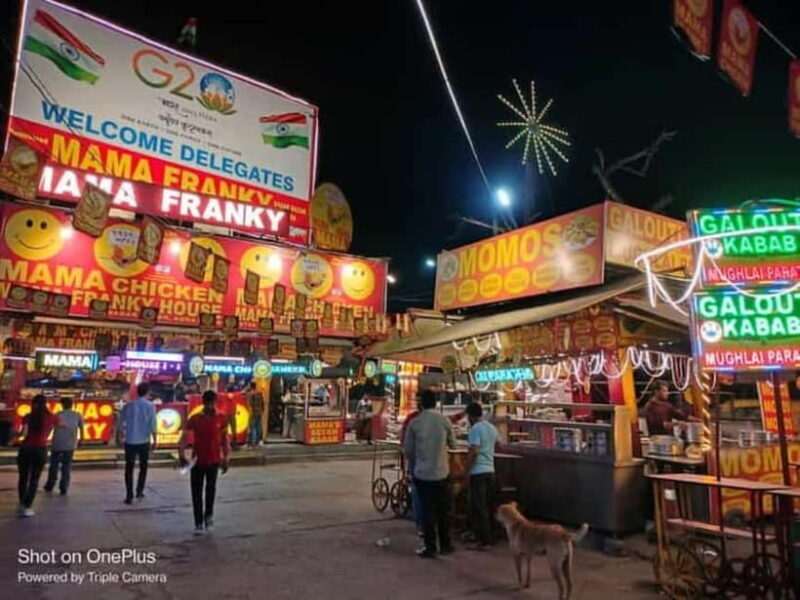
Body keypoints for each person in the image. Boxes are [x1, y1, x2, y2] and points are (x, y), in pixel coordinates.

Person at [403, 389, 456, 559]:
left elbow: (408, 450)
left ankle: (430, 547)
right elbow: (453, 445)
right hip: (441, 473)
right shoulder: (444, 421)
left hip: (422, 474)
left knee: (427, 513)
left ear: (421, 403)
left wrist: (419, 459)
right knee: (443, 512)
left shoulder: (415, 423)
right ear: (436, 403)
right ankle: (446, 545)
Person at [179, 390, 230, 535]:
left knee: (210, 490)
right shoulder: (195, 418)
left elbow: (225, 439)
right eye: (208, 403)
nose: (210, 405)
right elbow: (184, 436)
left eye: (212, 402)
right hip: (197, 460)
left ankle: (208, 516)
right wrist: (181, 454)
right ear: (204, 403)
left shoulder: (221, 418)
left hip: (214, 460)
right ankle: (198, 522)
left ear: (215, 402)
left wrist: (226, 457)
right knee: (196, 492)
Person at [16, 395, 60, 517]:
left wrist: (15, 436)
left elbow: (23, 433)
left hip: (26, 448)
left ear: (33, 404)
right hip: (40, 449)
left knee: (23, 477)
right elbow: (58, 426)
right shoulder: (52, 417)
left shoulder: (28, 417)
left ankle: (22, 501)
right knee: (34, 479)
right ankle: (28, 506)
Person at [464, 401, 499, 549]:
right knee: (488, 505)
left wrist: (467, 469)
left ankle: (484, 540)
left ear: (471, 416)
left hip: (478, 472)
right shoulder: (491, 428)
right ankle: (489, 536)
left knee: (478, 507)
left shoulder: (475, 429)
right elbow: (499, 444)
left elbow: (475, 451)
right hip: (490, 471)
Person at [118, 382, 157, 504]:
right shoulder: (150, 406)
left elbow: (120, 423)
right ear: (147, 392)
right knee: (143, 467)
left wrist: (119, 436)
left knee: (129, 468)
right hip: (144, 441)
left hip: (130, 440)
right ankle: (139, 491)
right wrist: (155, 439)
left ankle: (129, 495)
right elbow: (153, 424)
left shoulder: (128, 406)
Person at [44, 398, 84, 495]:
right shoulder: (77, 415)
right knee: (66, 466)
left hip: (57, 443)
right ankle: (64, 486)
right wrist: (81, 439)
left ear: (62, 405)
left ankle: (50, 484)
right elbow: (81, 428)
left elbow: (50, 428)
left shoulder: (57, 415)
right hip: (70, 444)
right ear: (72, 404)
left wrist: (45, 438)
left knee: (54, 465)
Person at [245, 382, 264, 447]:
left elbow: (249, 404)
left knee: (252, 427)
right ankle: (258, 441)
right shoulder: (259, 393)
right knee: (258, 427)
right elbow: (262, 402)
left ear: (250, 386)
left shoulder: (250, 394)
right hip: (259, 412)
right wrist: (262, 410)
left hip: (253, 412)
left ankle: (252, 442)